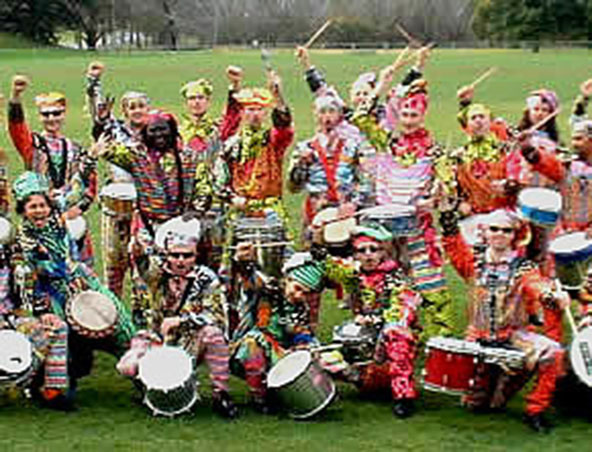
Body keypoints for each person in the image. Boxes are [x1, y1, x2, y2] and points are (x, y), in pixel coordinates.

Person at [440, 207, 567, 432]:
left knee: (553, 353)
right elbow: (453, 245)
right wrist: (446, 213)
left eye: (506, 231)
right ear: (484, 232)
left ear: (514, 236)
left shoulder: (523, 267)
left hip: (512, 336)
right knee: (477, 405)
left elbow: (535, 284)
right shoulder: (474, 262)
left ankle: (535, 410)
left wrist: (551, 295)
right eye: (494, 229)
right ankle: (491, 382)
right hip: (477, 337)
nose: (499, 234)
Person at [11, 171, 136, 384]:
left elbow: (76, 190)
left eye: (42, 205)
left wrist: (90, 158)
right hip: (50, 290)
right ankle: (54, 379)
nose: (39, 211)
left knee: (120, 323)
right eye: (32, 207)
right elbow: (30, 276)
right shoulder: (24, 239)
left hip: (82, 278)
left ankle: (143, 375)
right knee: (63, 331)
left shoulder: (57, 218)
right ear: (23, 211)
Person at [97, 110, 212, 327]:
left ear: (172, 131)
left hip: (180, 228)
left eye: (163, 129)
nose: (159, 135)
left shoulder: (189, 157)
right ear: (146, 133)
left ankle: (179, 325)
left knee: (180, 279)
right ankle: (143, 330)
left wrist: (195, 212)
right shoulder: (136, 157)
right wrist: (100, 120)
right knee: (144, 279)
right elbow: (107, 148)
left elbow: (205, 187)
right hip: (148, 228)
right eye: (153, 130)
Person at [116, 222, 238, 418]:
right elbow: (144, 265)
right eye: (175, 255)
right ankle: (148, 387)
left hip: (190, 341)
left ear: (196, 255)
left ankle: (221, 393)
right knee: (127, 367)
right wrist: (137, 251)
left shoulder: (207, 278)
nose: (180, 261)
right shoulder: (158, 274)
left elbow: (216, 316)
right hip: (156, 339)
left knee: (214, 335)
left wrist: (181, 321)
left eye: (187, 255)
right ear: (167, 255)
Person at [312, 225, 423, 418]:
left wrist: (380, 319)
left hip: (390, 334)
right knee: (323, 357)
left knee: (397, 338)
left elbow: (404, 305)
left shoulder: (396, 277)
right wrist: (320, 250)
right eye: (362, 251)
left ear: (384, 252)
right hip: (366, 337)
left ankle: (403, 397)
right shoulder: (354, 274)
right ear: (354, 255)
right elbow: (335, 268)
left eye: (374, 249)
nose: (368, 255)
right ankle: (352, 383)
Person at [8, 76, 97, 266]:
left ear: (63, 114)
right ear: (40, 116)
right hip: (40, 216)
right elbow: (17, 129)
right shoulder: (33, 145)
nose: (51, 118)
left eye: (56, 113)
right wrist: (16, 96)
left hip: (71, 215)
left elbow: (90, 184)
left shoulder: (76, 148)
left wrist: (77, 209)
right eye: (46, 114)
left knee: (79, 272)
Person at [231, 245, 323, 413]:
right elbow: (250, 281)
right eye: (297, 288)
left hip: (283, 349)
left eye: (305, 293)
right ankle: (259, 397)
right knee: (253, 345)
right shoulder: (267, 292)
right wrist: (243, 262)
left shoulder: (301, 307)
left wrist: (303, 345)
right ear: (287, 279)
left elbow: (300, 330)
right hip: (254, 345)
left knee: (314, 351)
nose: (299, 295)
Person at [85, 61, 150, 297]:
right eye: (131, 107)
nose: (137, 110)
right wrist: (93, 83)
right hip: (115, 205)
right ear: (124, 111)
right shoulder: (115, 130)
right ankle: (112, 314)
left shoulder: (157, 133)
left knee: (143, 265)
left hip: (145, 209)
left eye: (141, 106)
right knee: (113, 263)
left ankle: (142, 318)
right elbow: (98, 114)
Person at [178, 69, 243, 270]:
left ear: (207, 101)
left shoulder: (217, 130)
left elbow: (233, 117)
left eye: (201, 98)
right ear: (186, 102)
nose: (196, 102)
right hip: (186, 203)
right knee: (186, 254)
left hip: (215, 203)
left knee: (215, 254)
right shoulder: (177, 133)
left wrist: (234, 87)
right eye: (192, 98)